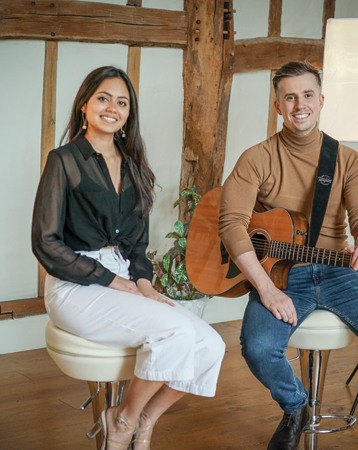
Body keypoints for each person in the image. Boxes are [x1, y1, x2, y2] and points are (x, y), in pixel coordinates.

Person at [218, 61, 358, 450]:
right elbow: (231, 225)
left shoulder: (347, 159)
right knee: (258, 348)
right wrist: (266, 289)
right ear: (277, 106)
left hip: (337, 272)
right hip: (279, 276)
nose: (300, 104)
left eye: (308, 95)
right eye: (289, 97)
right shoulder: (257, 158)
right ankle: (297, 405)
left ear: (321, 100)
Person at [32, 66, 225, 450]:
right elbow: (46, 243)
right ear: (85, 105)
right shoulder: (64, 160)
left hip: (124, 278)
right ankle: (122, 420)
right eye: (104, 98)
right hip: (75, 284)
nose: (112, 108)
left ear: (128, 114)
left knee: (211, 345)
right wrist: (112, 280)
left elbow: (138, 244)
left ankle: (144, 419)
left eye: (122, 102)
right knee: (175, 332)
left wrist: (143, 284)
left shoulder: (134, 165)